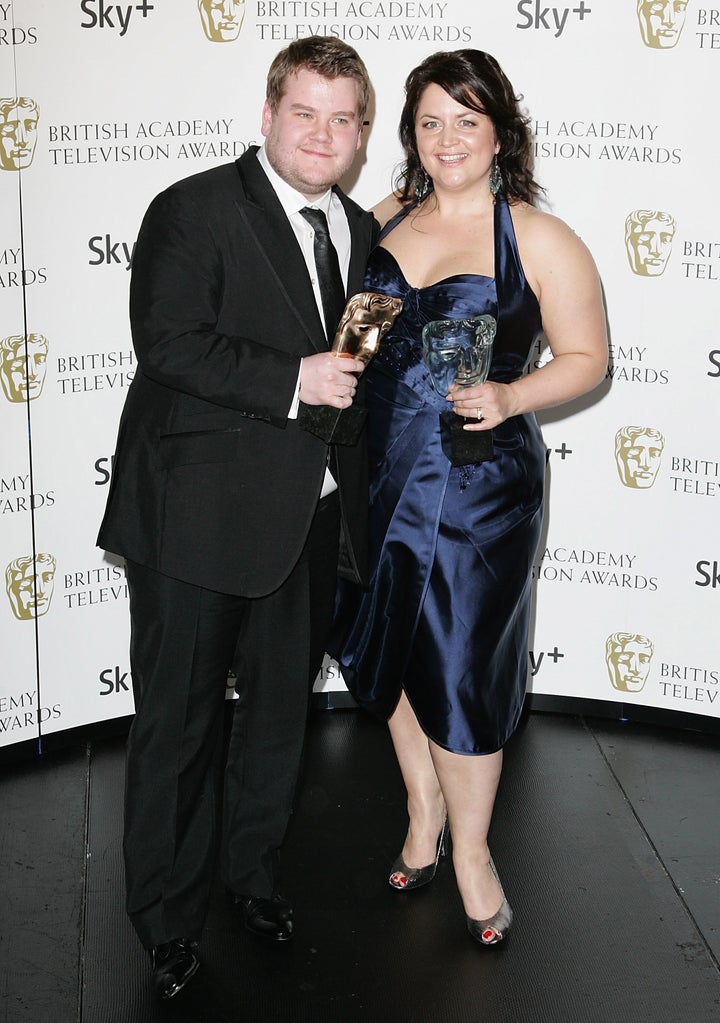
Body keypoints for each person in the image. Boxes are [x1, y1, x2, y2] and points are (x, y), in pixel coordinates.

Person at [97, 36, 375, 999]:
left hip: (305, 519)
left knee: (276, 726)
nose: (323, 133)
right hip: (193, 520)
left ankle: (250, 879)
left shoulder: (357, 231)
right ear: (268, 114)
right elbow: (167, 342)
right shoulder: (192, 208)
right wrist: (291, 381)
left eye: (342, 119)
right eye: (306, 112)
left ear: (359, 133)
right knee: (176, 728)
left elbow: (354, 366)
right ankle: (165, 922)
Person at [331, 49, 608, 946]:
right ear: (409, 133)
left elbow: (587, 357)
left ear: (500, 133)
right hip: (377, 474)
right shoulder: (378, 220)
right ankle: (421, 812)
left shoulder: (534, 236)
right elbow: (352, 345)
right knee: (391, 653)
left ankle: (477, 853)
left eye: (467, 120)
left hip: (478, 488)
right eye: (429, 121)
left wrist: (512, 394)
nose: (447, 139)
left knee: (461, 670)